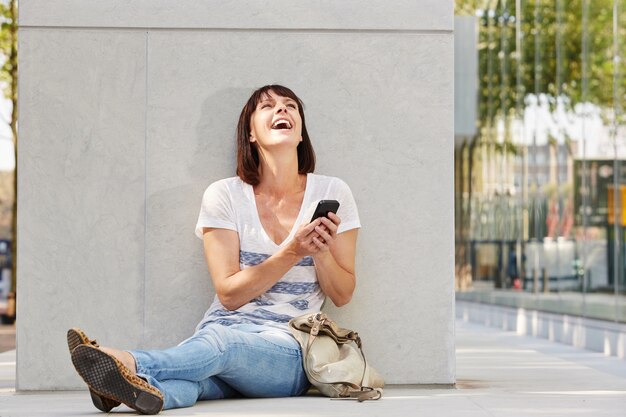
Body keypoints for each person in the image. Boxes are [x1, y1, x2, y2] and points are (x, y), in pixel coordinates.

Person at [68, 85, 361, 414]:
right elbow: (230, 295)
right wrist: (293, 251)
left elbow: (343, 293)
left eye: (290, 106)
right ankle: (133, 391)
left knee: (223, 345)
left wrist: (319, 252)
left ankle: (123, 362)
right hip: (218, 336)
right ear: (250, 133)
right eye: (268, 106)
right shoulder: (224, 196)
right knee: (198, 381)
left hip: (289, 349)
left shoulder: (333, 191)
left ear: (301, 131)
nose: (282, 110)